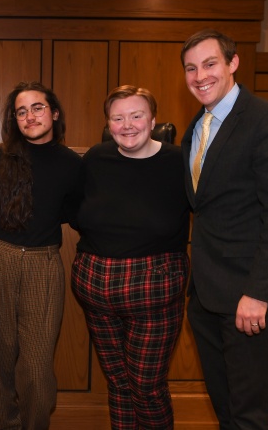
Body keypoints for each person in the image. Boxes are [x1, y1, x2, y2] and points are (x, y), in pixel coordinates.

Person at [180, 29, 268, 429]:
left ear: (234, 63)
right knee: (227, 410)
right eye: (191, 68)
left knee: (250, 415)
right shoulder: (196, 128)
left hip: (251, 299)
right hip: (207, 297)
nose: (200, 75)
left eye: (210, 63)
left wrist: (259, 293)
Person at [71, 85, 190, 429]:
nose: (127, 125)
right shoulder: (96, 157)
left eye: (136, 116)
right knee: (119, 384)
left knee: (147, 388)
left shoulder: (179, 161)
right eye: (117, 118)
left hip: (154, 290)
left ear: (153, 120)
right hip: (96, 288)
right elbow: (79, 210)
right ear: (108, 124)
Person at [0, 81, 82, 430]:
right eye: (21, 111)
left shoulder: (71, 163)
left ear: (54, 113)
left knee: (35, 368)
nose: (29, 116)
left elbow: (75, 213)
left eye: (37, 108)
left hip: (43, 264)